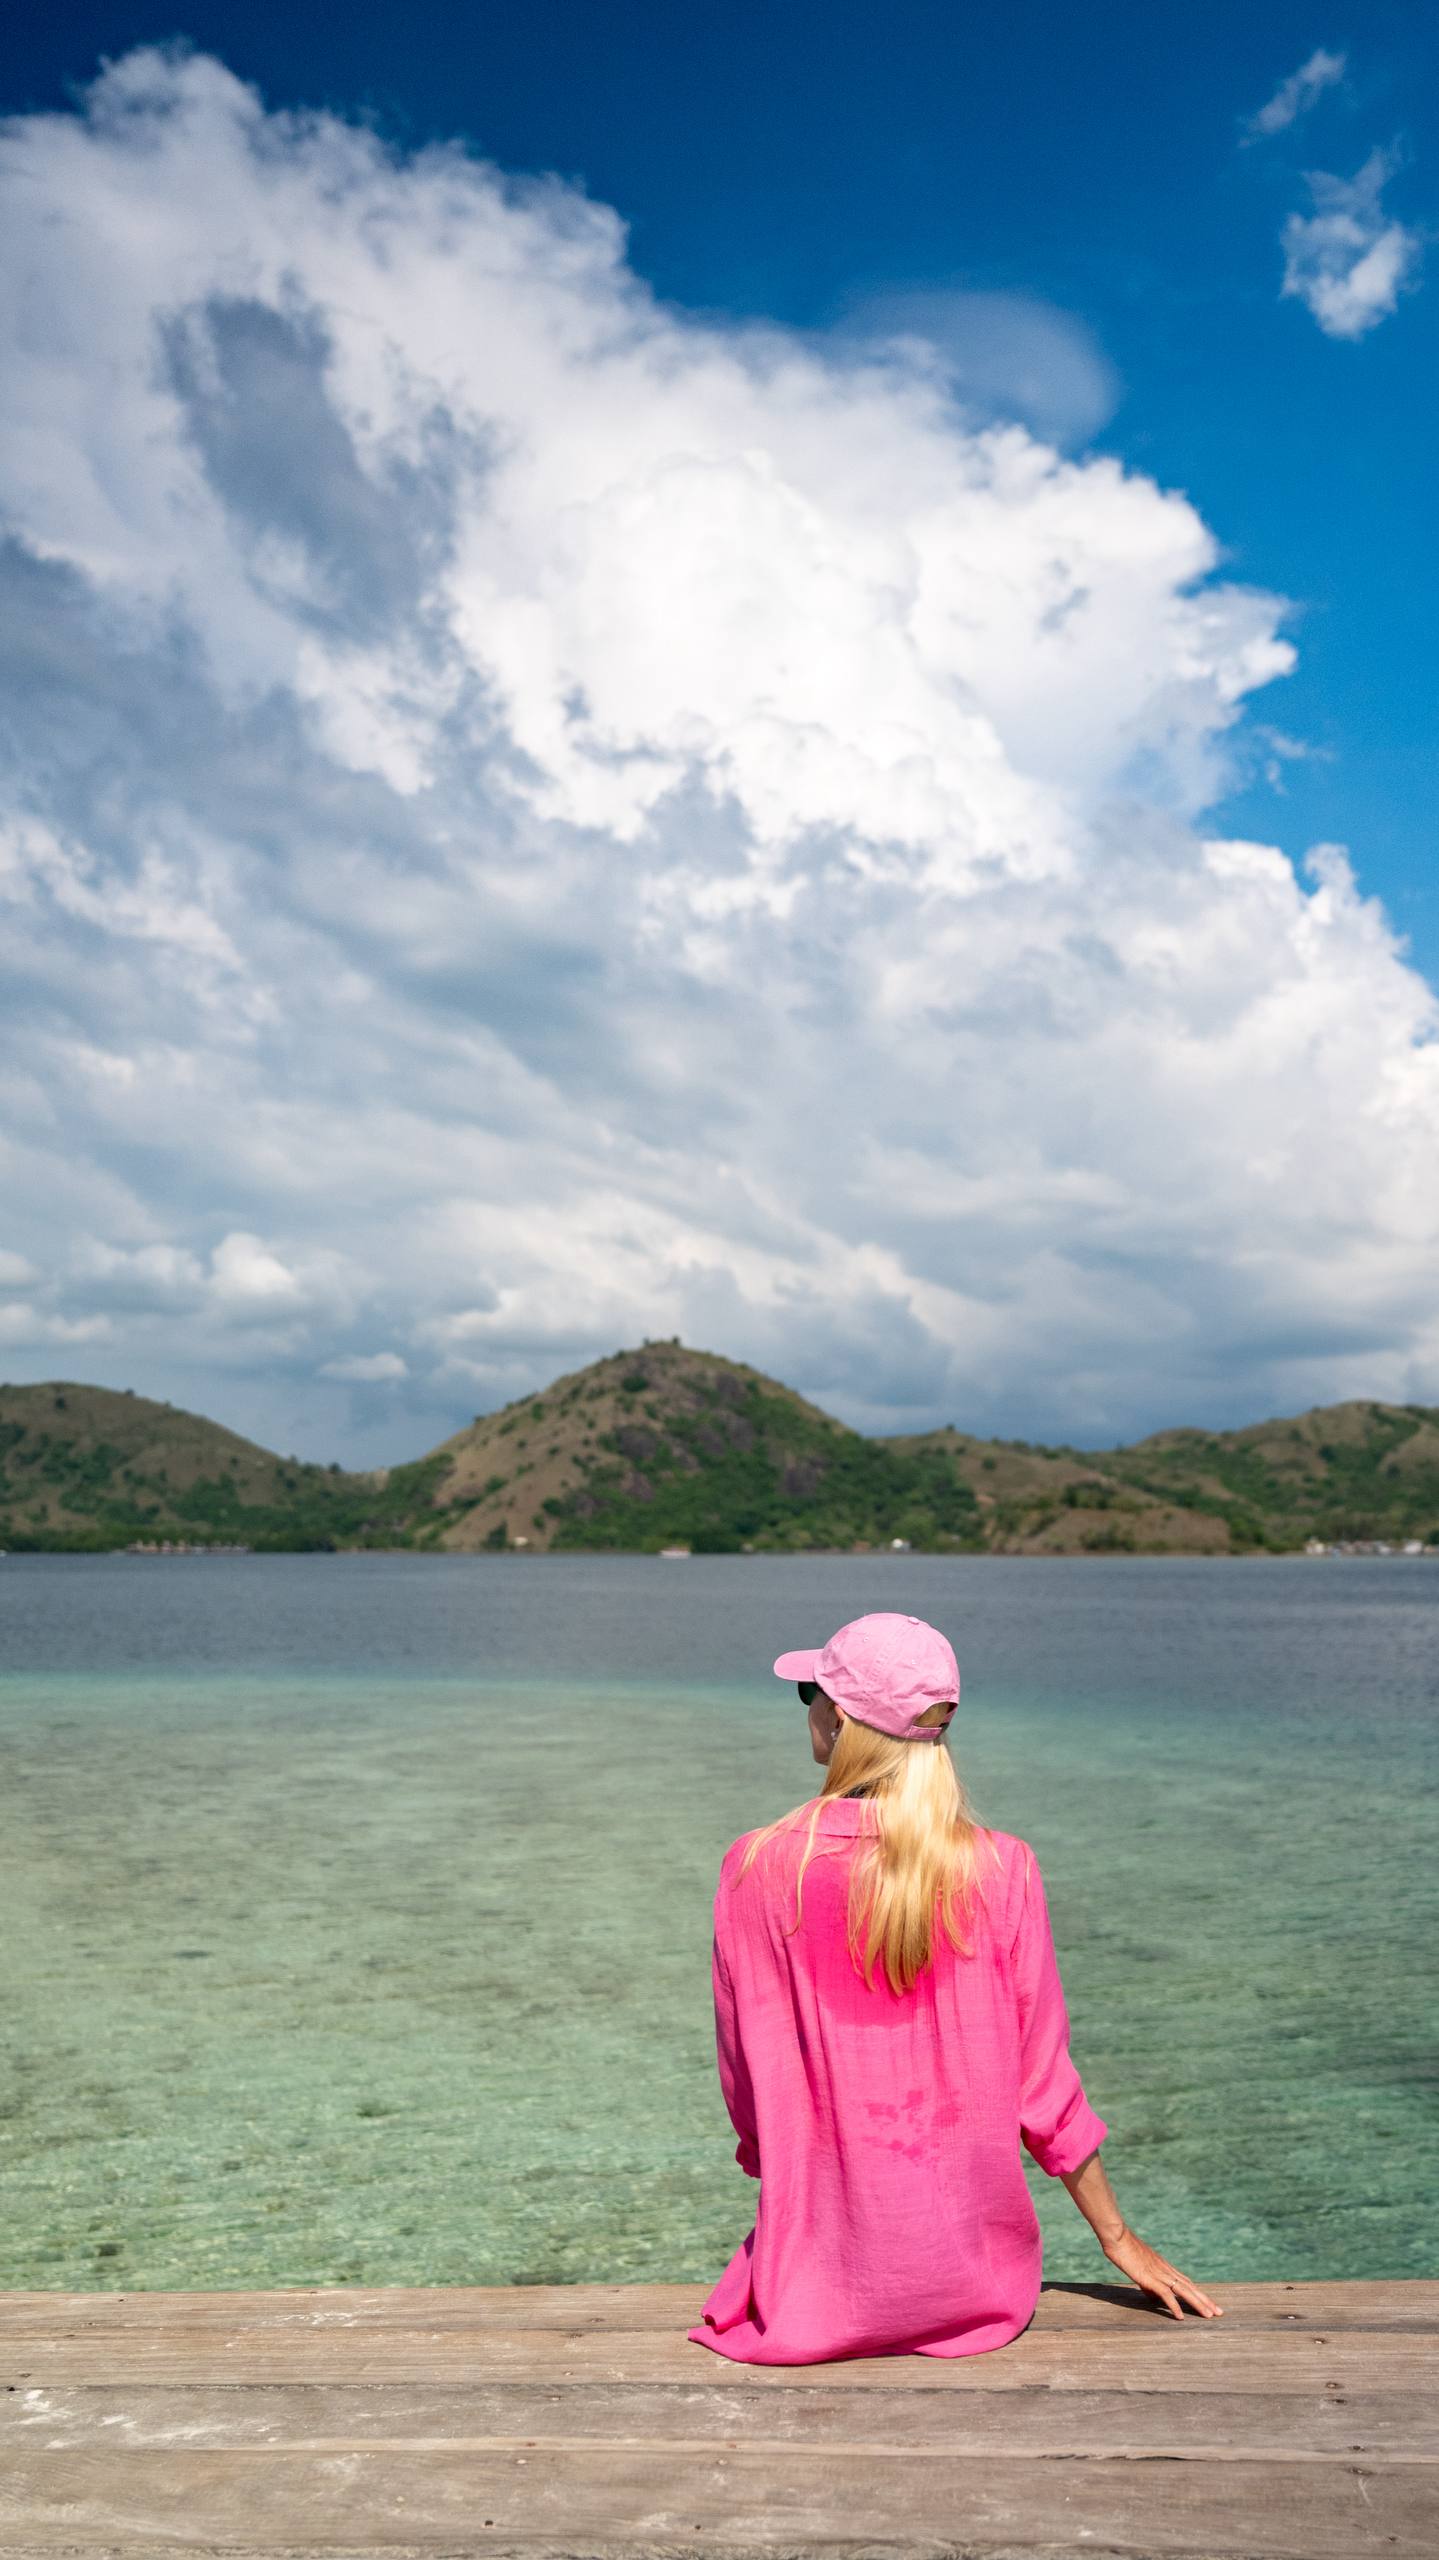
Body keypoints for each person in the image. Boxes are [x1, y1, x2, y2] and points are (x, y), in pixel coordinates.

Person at [687, 1610, 1223, 2363]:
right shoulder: (1004, 1868)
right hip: (978, 2297)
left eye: (809, 1692)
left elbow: (747, 2077)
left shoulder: (757, 1866)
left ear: (837, 1719)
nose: (807, 1708)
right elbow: (1045, 2088)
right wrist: (1118, 2238)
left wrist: (780, 2172)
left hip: (812, 2291)